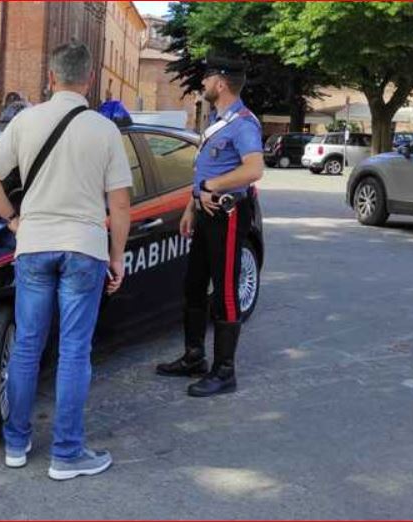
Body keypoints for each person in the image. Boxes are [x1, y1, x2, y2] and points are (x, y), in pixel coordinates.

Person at [0, 40, 132, 480]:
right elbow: (119, 206)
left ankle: (16, 443)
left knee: (27, 346)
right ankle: (66, 454)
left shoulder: (26, 120)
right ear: (91, 79)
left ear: (50, 77)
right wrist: (117, 257)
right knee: (74, 351)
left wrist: (12, 219)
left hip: (35, 243)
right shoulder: (104, 131)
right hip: (84, 246)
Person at [155, 55, 263, 398]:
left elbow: (254, 169)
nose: (202, 83)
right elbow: (203, 173)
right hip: (204, 213)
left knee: (225, 290)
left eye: (207, 78)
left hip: (228, 216)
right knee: (194, 284)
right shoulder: (218, 120)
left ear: (221, 83)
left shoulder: (243, 123)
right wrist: (191, 206)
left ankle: (224, 372)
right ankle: (194, 356)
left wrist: (213, 188)